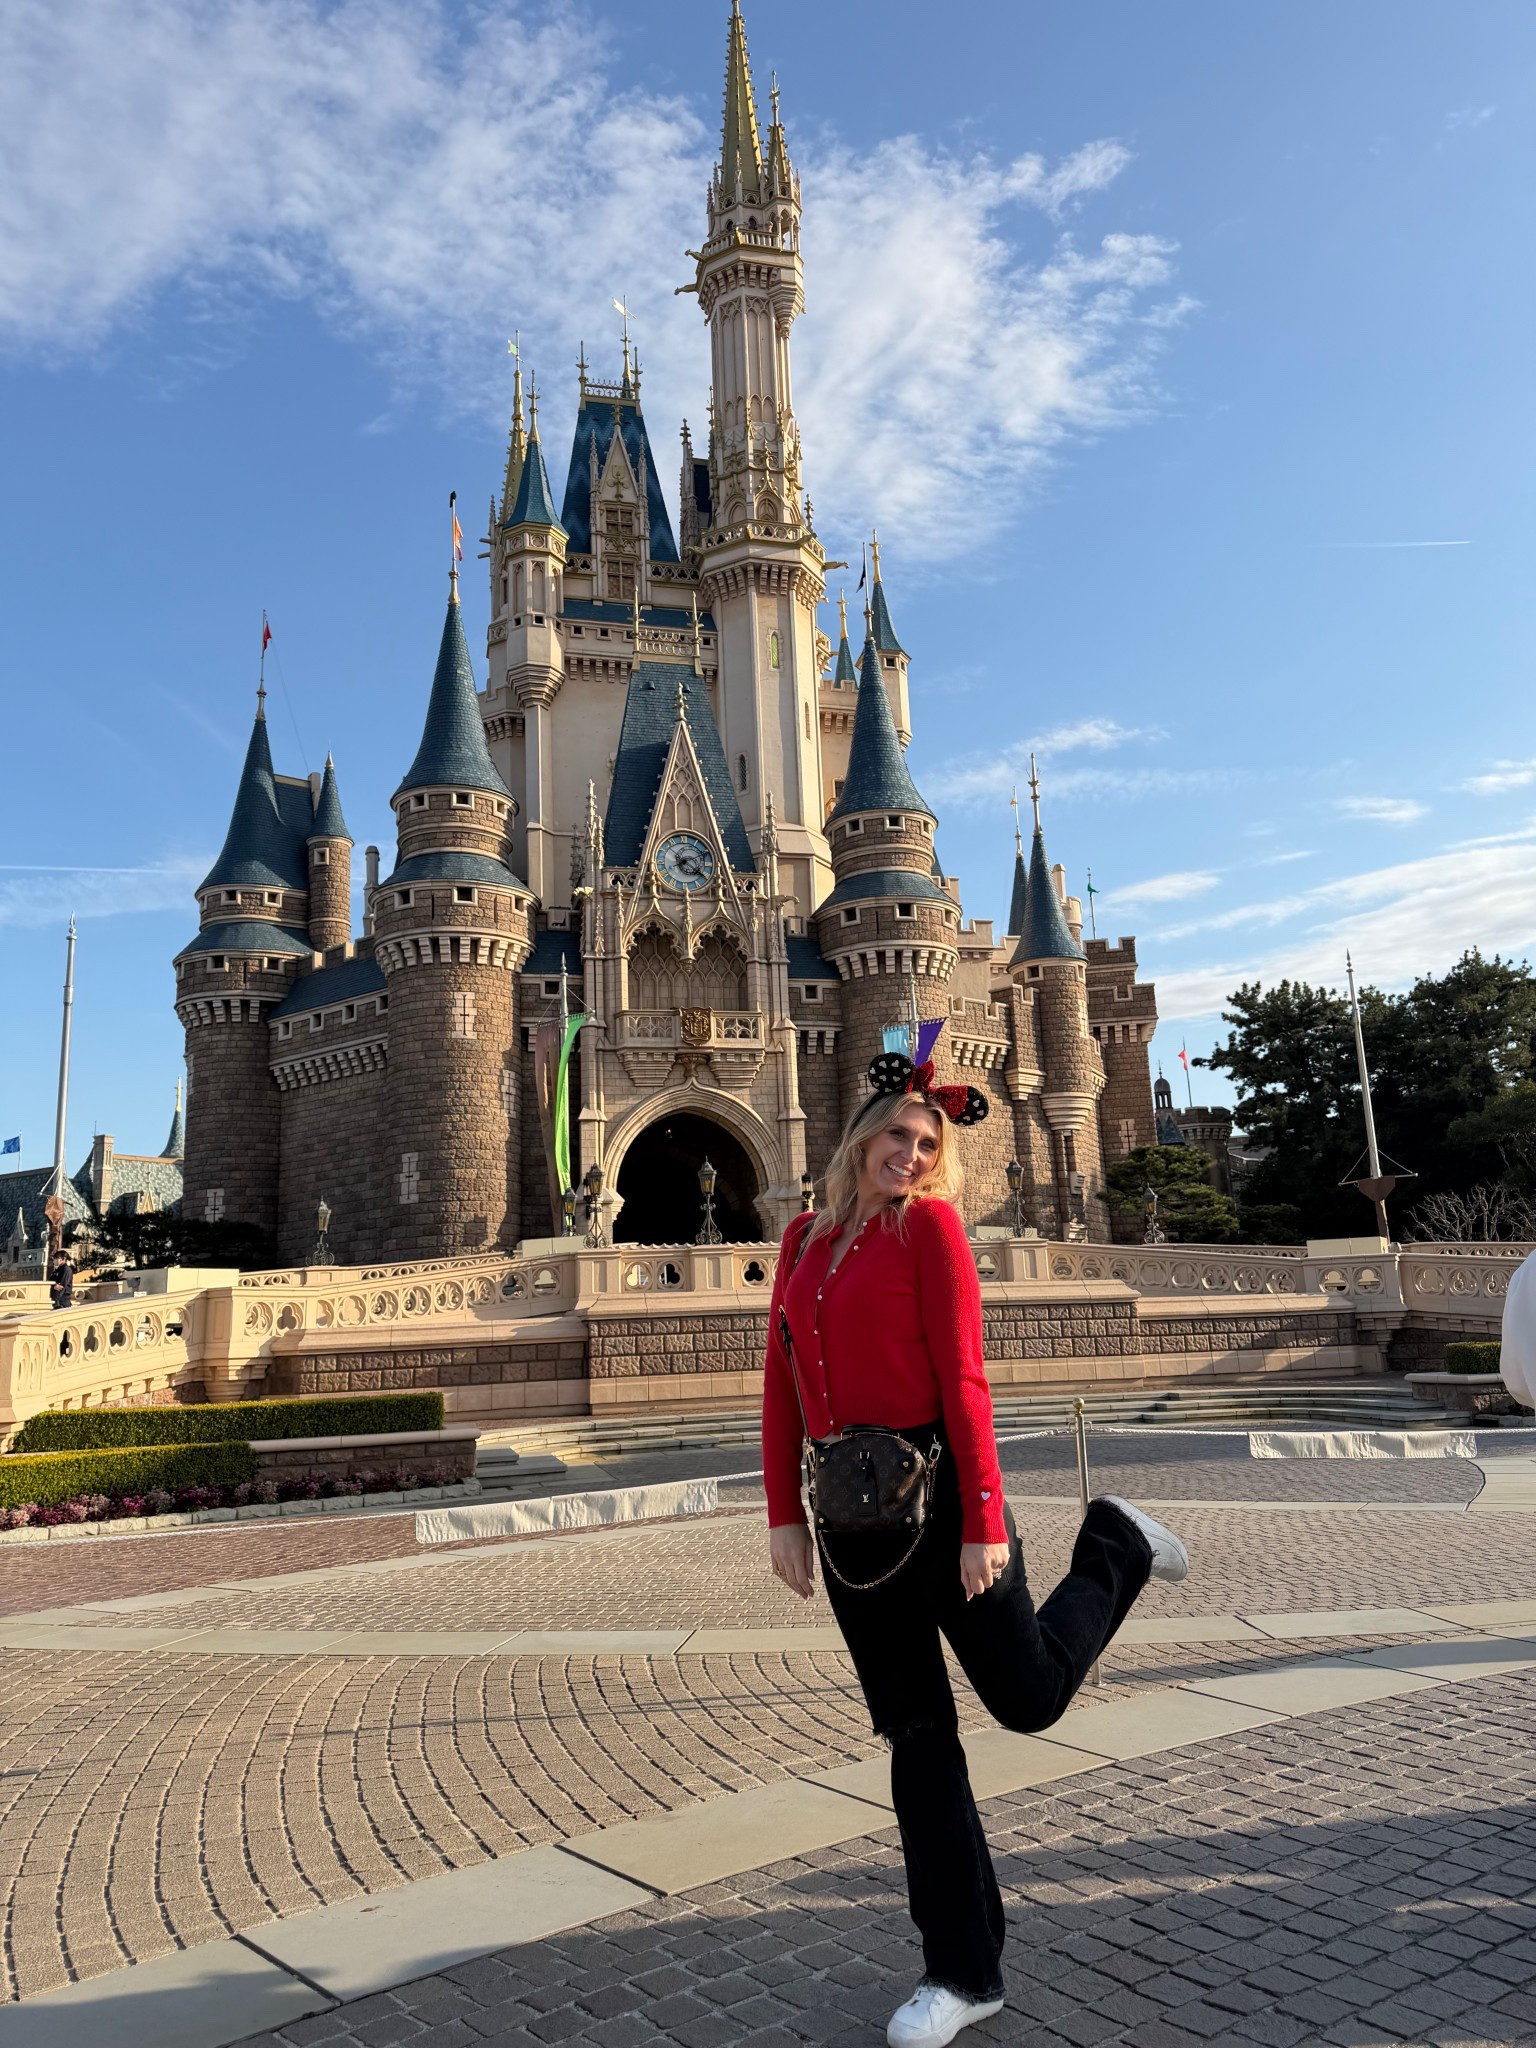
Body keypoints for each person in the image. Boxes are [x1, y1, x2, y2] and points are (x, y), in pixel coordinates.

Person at [764, 1051, 1189, 2048]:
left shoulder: (932, 1229)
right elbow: (780, 1381)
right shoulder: (801, 1240)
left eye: (927, 1143)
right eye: (897, 1134)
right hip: (849, 1512)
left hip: (940, 1490)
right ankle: (961, 1970)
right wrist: (783, 1511)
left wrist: (986, 1518)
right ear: (860, 1133)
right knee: (918, 1737)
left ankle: (1114, 1546)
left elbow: (965, 1379)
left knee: (1028, 1697)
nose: (909, 1154)